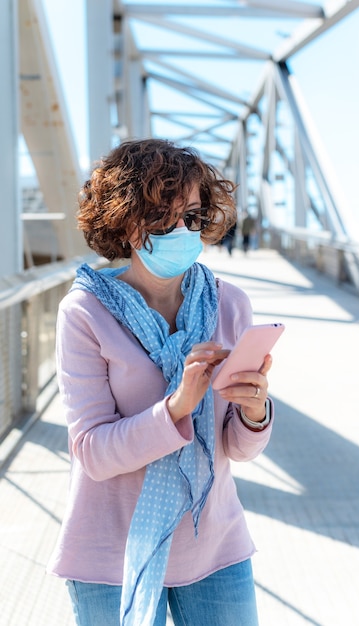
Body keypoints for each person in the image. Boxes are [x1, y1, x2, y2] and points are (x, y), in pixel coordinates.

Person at [47, 138, 275, 626]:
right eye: (163, 219)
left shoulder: (228, 303)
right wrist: (176, 407)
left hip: (213, 544)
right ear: (127, 223)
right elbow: (92, 451)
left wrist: (255, 412)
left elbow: (234, 448)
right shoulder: (85, 313)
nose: (182, 231)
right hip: (110, 555)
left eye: (191, 217)